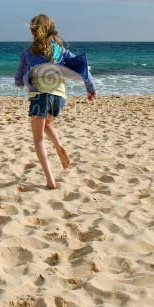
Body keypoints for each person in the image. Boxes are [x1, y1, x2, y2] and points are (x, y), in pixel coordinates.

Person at [15, 14, 97, 189]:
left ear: (32, 31)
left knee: (38, 140)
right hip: (59, 97)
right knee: (46, 124)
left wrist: (24, 78)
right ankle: (59, 146)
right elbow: (82, 68)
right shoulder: (61, 51)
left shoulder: (27, 53)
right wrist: (91, 88)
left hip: (40, 96)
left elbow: (18, 80)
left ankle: (50, 180)